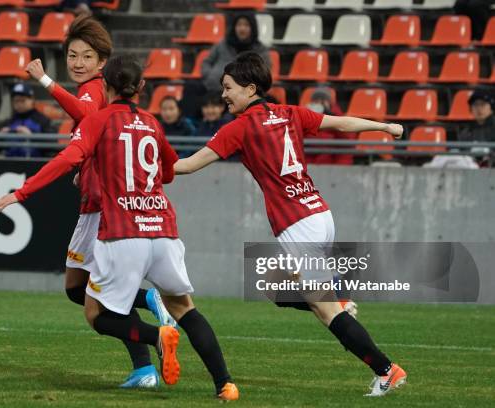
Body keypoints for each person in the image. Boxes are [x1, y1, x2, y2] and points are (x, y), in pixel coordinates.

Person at [0, 54, 239, 401]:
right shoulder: (153, 123)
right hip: (163, 230)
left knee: (96, 314)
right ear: (141, 87)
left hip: (123, 232)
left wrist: (21, 192)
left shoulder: (98, 121)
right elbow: (167, 172)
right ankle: (225, 384)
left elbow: (66, 160)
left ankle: (156, 337)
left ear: (105, 85)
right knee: (185, 308)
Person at [173, 52, 407, 397]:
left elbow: (189, 165)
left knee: (325, 312)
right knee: (274, 287)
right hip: (319, 213)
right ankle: (337, 297)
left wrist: (144, 163)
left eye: (228, 88)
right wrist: (384, 127)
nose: (224, 95)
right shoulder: (290, 113)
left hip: (298, 223)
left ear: (250, 88)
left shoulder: (239, 128)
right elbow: (340, 123)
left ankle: (386, 369)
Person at [23, 14, 173, 388]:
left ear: (102, 63)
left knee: (82, 293)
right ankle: (144, 361)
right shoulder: (96, 88)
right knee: (84, 291)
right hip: (98, 201)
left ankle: (148, 324)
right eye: (72, 55)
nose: (78, 63)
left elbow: (88, 115)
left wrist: (45, 81)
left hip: (100, 210)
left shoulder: (93, 89)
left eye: (86, 56)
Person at [181, 12, 271, 119]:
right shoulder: (222, 44)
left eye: (246, 25)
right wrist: (209, 75)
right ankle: (191, 126)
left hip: (239, 92)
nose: (242, 28)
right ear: (234, 27)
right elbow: (207, 62)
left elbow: (263, 71)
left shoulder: (260, 49)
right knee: (191, 87)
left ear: (253, 28)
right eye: (239, 25)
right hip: (212, 86)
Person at [0, 83, 54, 158]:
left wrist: (31, 136)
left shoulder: (43, 120)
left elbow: (52, 146)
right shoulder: (9, 122)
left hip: (35, 165)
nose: (19, 104)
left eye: (23, 100)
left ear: (32, 100)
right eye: (16, 101)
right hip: (10, 165)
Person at [304, 87, 356, 165]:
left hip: (332, 163)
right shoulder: (307, 119)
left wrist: (330, 116)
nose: (319, 103)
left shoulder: (338, 117)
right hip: (309, 163)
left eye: (323, 101)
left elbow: (347, 138)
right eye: (316, 100)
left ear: (329, 103)